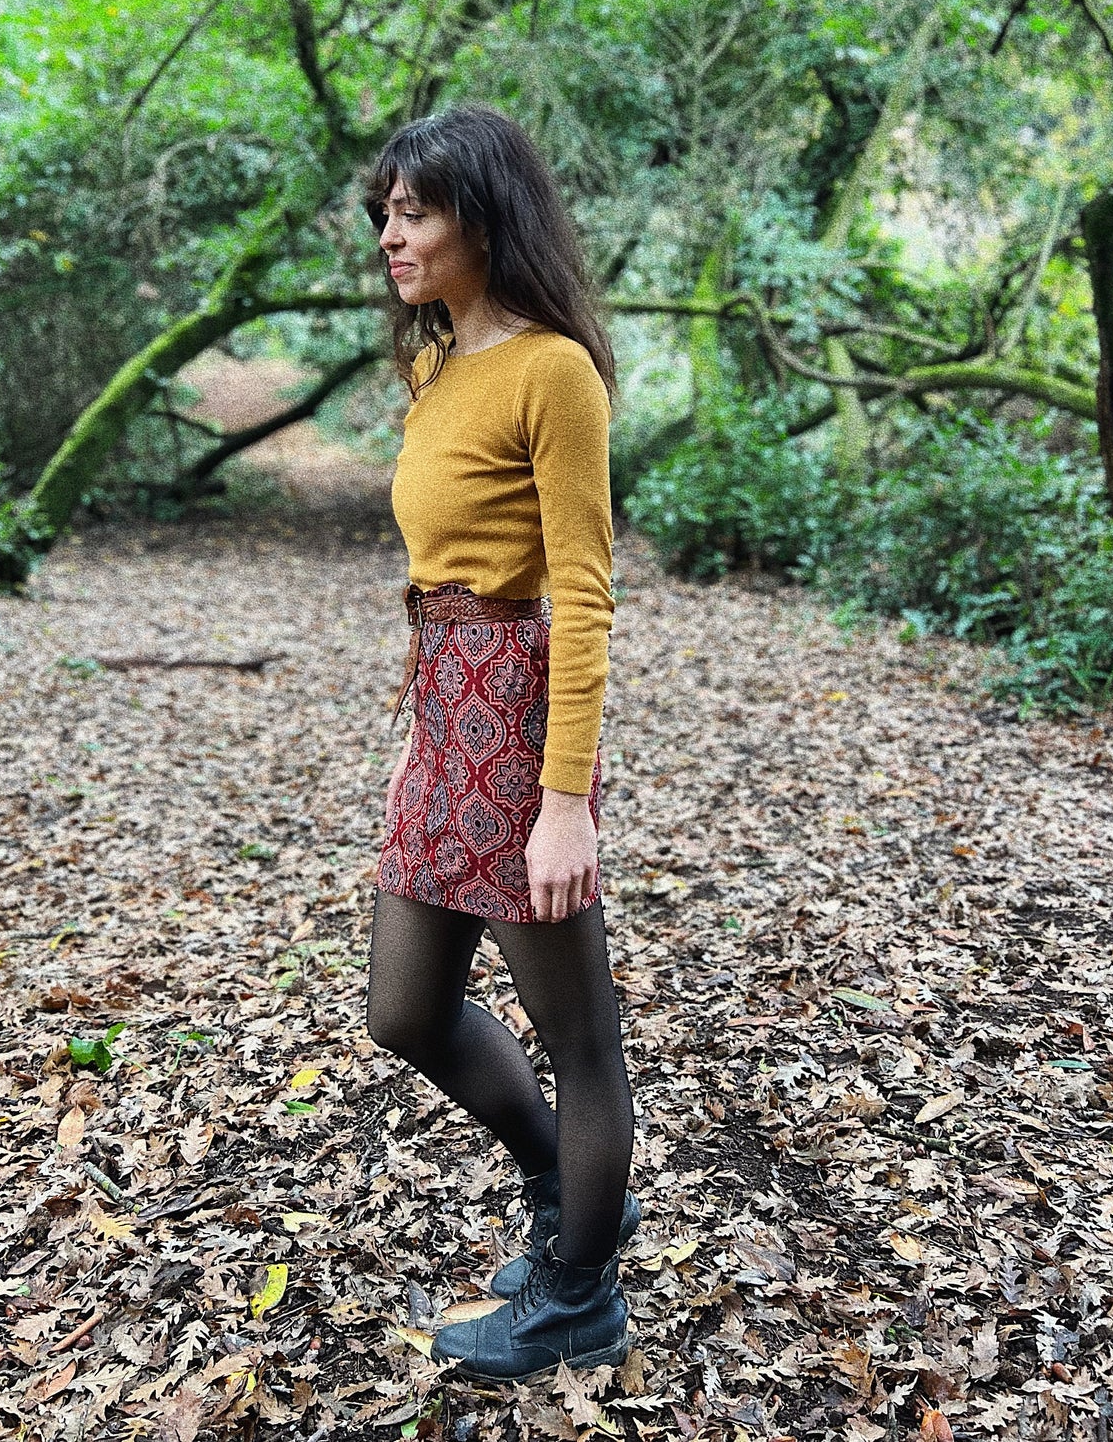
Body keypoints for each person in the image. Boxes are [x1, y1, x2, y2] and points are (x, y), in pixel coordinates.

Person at [363, 105, 640, 1383]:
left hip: (523, 720)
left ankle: (579, 1289)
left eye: (413, 210)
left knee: (576, 1031)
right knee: (404, 1008)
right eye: (386, 211)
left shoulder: (552, 371)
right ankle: (558, 1187)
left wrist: (565, 796)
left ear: (482, 215)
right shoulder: (434, 371)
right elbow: (439, 581)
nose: (391, 233)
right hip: (447, 713)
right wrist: (414, 733)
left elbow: (578, 590)